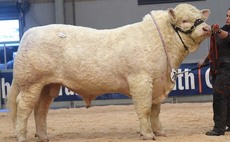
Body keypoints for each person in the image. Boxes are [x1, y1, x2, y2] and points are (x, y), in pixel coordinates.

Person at [198, 8, 230, 136]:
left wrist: (217, 30)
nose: (227, 18)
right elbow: (214, 44)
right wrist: (204, 60)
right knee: (227, 98)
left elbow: (224, 35)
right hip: (219, 68)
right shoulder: (224, 28)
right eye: (227, 15)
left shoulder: (224, 31)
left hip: (227, 69)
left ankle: (219, 128)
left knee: (219, 96)